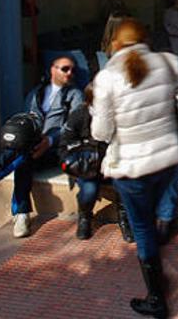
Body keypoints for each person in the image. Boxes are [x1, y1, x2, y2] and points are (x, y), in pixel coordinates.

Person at [90, 18, 178, 318]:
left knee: (142, 229)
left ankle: (156, 298)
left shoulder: (107, 78)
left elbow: (101, 132)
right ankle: (159, 270)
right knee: (156, 219)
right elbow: (177, 101)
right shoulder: (168, 62)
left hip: (133, 167)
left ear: (114, 45)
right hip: (168, 160)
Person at [0, 55, 84, 238]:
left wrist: (49, 140)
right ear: (52, 69)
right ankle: (20, 213)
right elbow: (28, 120)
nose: (70, 73)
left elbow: (75, 125)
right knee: (24, 158)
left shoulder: (75, 94)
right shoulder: (36, 93)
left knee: (23, 157)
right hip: (33, 145)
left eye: (72, 70)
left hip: (57, 148)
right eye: (65, 69)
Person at [58, 83, 133, 243]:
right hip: (87, 167)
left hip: (111, 164)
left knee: (124, 184)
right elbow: (64, 145)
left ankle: (124, 220)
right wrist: (76, 163)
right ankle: (85, 217)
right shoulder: (79, 115)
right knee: (90, 190)